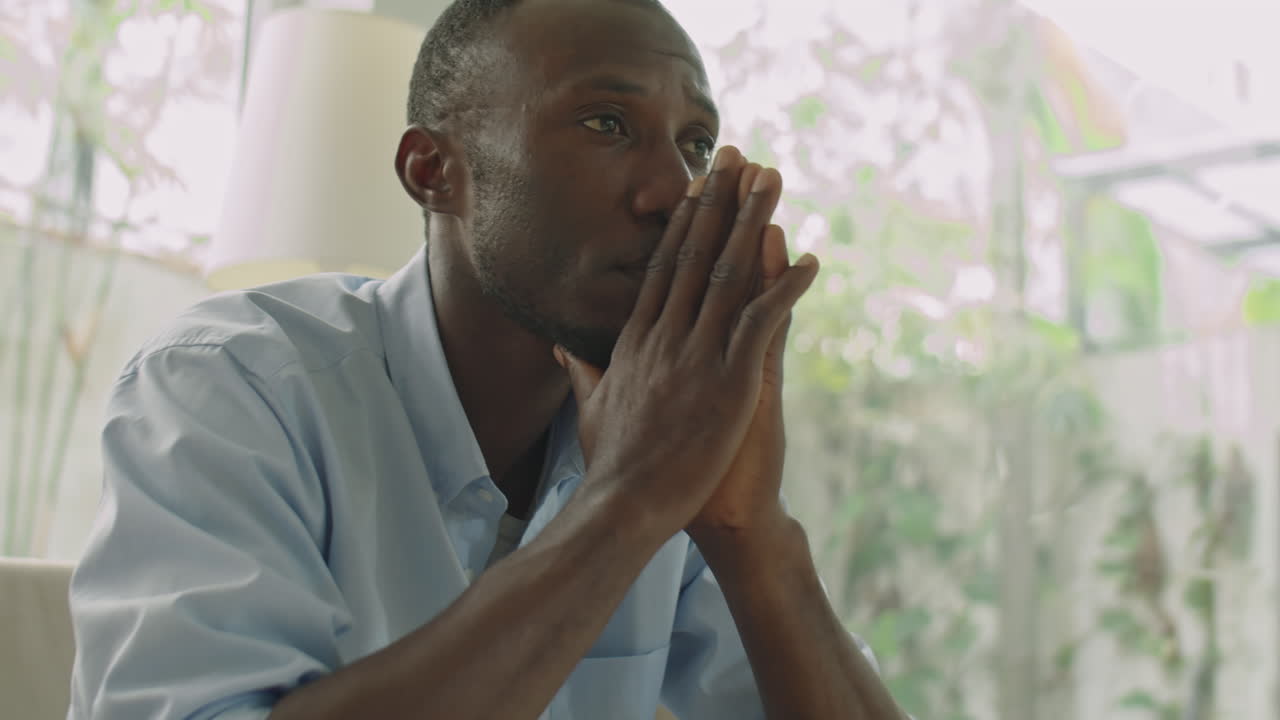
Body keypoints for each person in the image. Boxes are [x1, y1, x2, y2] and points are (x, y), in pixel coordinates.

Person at [67, 0, 908, 718]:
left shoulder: (667, 435)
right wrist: (626, 504)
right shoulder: (229, 386)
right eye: (607, 124)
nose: (673, 192)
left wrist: (752, 533)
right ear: (433, 170)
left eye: (695, 144)